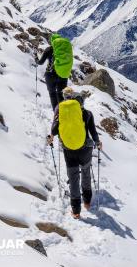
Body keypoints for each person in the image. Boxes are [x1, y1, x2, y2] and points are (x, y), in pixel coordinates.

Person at [47, 87, 102, 219]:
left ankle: (76, 210)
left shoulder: (61, 111)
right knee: (86, 172)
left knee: (73, 178)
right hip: (85, 148)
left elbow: (54, 130)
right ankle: (87, 201)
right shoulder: (87, 114)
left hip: (68, 149)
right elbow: (93, 132)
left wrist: (51, 137)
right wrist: (98, 142)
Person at [37, 33, 72, 109]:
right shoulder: (65, 50)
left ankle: (56, 114)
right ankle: (63, 113)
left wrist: (36, 59)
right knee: (61, 94)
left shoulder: (48, 49)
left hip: (50, 74)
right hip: (63, 74)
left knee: (52, 93)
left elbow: (41, 62)